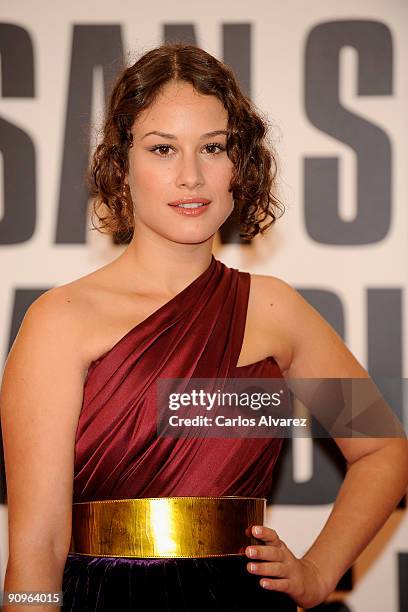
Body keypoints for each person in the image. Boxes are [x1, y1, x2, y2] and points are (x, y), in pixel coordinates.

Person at [1, 41, 407, 612]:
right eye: (162, 148)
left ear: (240, 163)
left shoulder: (276, 311)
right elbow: (36, 549)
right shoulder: (60, 322)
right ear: (121, 164)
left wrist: (318, 574)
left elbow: (383, 449)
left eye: (212, 148)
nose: (190, 176)